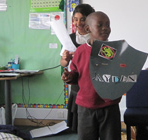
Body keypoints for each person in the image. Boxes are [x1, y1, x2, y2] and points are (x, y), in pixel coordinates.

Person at [61, 11, 122, 140]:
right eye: (100, 25)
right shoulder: (80, 51)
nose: (105, 28)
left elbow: (120, 75)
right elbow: (75, 73)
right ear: (88, 28)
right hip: (86, 107)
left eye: (107, 25)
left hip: (109, 106)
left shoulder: (113, 51)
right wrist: (69, 77)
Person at [60, 4, 95, 132]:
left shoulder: (96, 38)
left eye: (82, 19)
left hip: (92, 84)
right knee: (81, 125)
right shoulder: (70, 38)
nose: (78, 23)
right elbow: (63, 63)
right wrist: (66, 58)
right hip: (76, 85)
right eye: (75, 19)